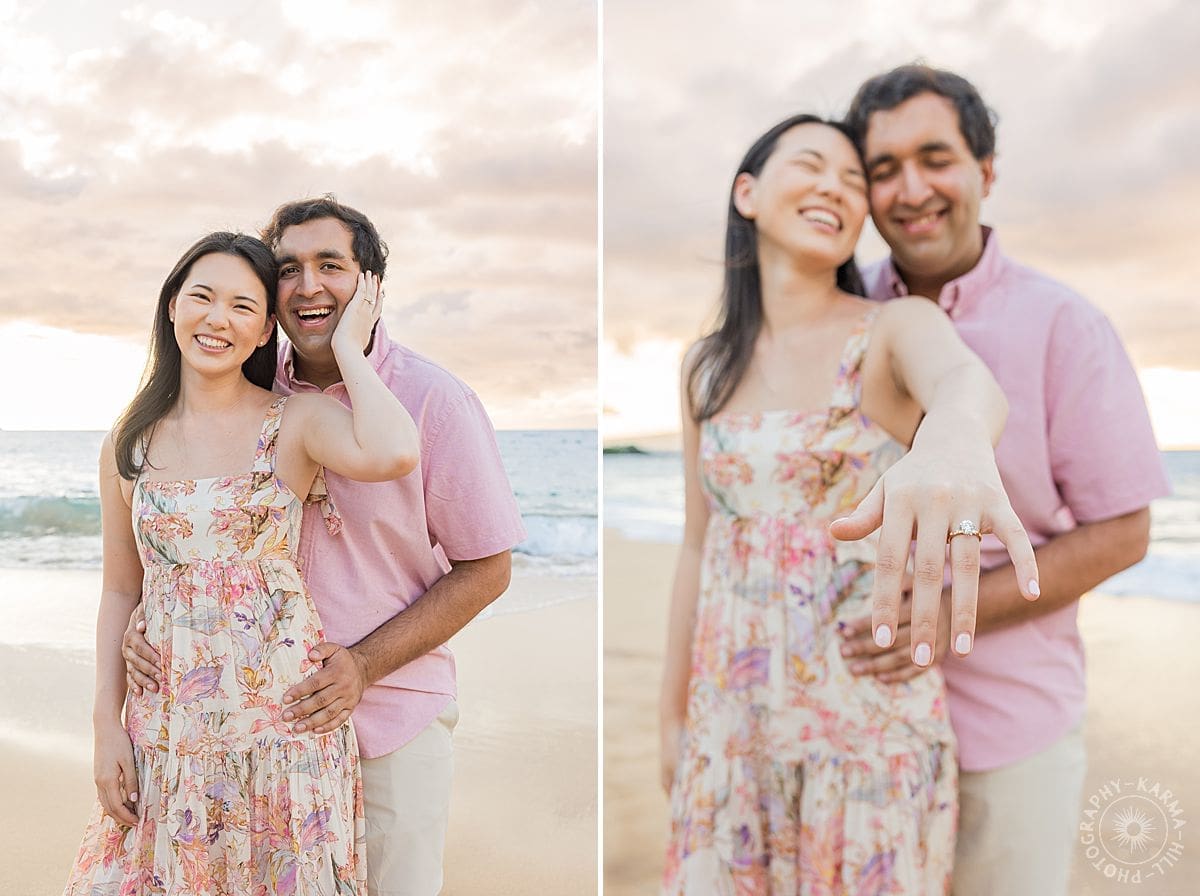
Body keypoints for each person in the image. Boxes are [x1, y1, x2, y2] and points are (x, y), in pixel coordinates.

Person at [659, 114, 1040, 894]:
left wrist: (956, 439)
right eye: (812, 165)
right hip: (732, 731)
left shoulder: (895, 328)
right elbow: (700, 545)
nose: (837, 187)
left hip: (866, 734)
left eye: (853, 180)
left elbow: (964, 383)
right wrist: (670, 718)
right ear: (749, 192)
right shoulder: (703, 366)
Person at [123, 197, 527, 896]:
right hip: (254, 726)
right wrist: (150, 616)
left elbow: (487, 567)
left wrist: (364, 667)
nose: (309, 285)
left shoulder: (434, 400)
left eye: (331, 266)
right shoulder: (247, 388)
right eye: (288, 269)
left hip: (390, 711)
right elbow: (192, 532)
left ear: (369, 283)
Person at [838, 65, 1171, 896]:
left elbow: (1123, 531)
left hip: (1009, 728)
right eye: (884, 169)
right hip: (851, 725)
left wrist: (944, 617)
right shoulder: (840, 316)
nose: (911, 189)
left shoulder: (1065, 325)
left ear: (985, 172)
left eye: (935, 158)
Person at [64, 232, 418, 893]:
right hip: (167, 728)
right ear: (172, 307)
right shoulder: (129, 438)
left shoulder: (296, 421)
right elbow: (120, 590)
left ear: (264, 334)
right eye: (201, 297)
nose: (217, 319)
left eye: (242, 307)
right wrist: (105, 727)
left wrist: (349, 348)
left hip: (279, 729)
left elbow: (396, 452)